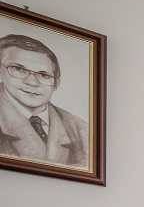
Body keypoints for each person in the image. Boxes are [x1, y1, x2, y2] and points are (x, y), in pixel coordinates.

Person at [0, 33, 89, 168]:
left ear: (56, 83)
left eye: (43, 75)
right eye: (19, 69)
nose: (32, 82)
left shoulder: (81, 130)